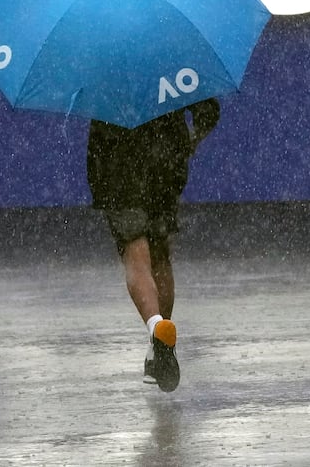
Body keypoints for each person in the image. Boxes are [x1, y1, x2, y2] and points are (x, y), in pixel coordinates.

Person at [86, 97, 220, 392]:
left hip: (115, 156)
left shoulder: (98, 56)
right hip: (165, 156)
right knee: (159, 253)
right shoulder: (174, 53)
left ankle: (156, 327)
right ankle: (161, 349)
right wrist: (190, 141)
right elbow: (208, 111)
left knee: (136, 253)